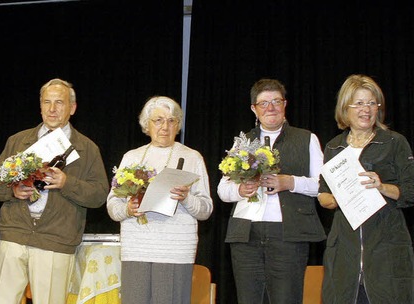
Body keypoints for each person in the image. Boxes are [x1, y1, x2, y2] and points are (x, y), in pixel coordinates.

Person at [0, 78, 109, 304]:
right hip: (15, 235)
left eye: (59, 103)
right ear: (40, 106)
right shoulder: (18, 141)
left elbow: (100, 195)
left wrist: (67, 183)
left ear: (72, 108)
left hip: (56, 240)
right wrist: (13, 189)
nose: (52, 109)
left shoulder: (87, 148)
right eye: (47, 102)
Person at [217, 78, 326, 304]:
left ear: (285, 104)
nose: (271, 108)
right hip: (245, 235)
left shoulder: (306, 138)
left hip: (288, 234)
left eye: (276, 101)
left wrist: (290, 182)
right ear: (253, 109)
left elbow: (323, 185)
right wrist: (240, 189)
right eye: (263, 103)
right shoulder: (242, 142)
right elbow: (222, 190)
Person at [106, 96, 213, 304]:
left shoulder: (193, 158)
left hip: (175, 249)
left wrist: (186, 198)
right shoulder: (131, 157)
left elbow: (206, 209)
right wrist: (128, 209)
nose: (165, 126)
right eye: (158, 120)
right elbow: (112, 205)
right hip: (137, 248)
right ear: (147, 124)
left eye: (171, 120)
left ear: (178, 125)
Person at [317, 74, 414, 303]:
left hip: (386, 251)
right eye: (359, 103)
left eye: (372, 103)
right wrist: (339, 198)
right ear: (345, 108)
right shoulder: (333, 147)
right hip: (344, 255)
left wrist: (382, 187)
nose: (366, 109)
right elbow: (323, 195)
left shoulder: (394, 142)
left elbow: (410, 191)